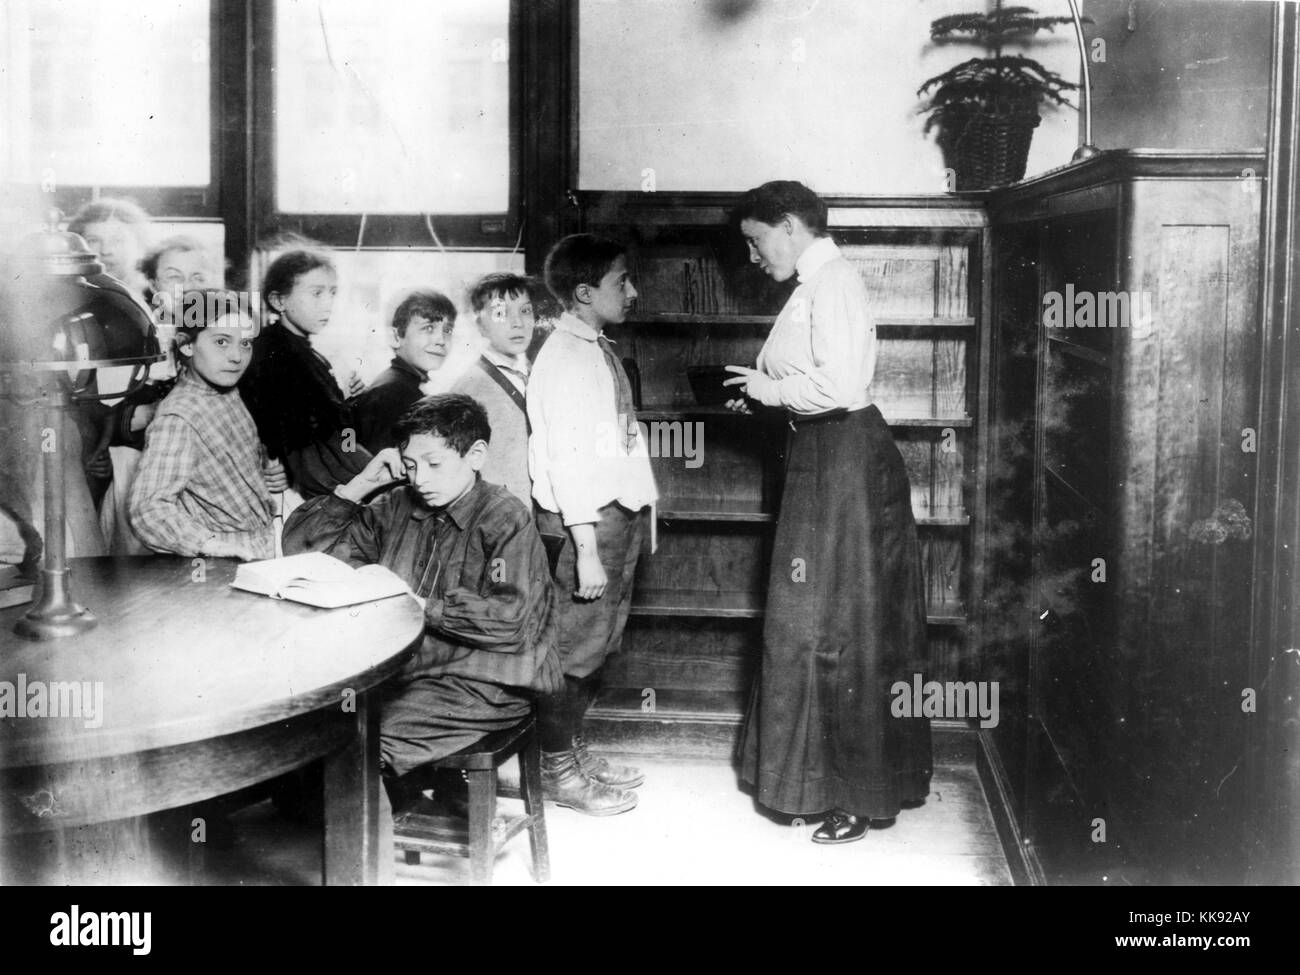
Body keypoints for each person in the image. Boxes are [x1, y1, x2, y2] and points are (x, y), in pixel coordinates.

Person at [724, 180, 932, 844]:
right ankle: (818, 782)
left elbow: (840, 385)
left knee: (845, 623)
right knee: (815, 618)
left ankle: (854, 793)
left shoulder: (833, 280)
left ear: (789, 226)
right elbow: (812, 379)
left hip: (842, 460)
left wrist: (769, 387)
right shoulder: (813, 286)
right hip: (822, 459)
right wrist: (764, 395)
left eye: (757, 242)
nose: (754, 257)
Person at [281, 393, 562, 808]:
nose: (420, 479)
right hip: (411, 674)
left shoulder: (504, 517)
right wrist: (362, 483)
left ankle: (371, 847)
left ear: (476, 455)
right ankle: (397, 804)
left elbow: (511, 621)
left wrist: (418, 605)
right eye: (410, 465)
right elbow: (306, 555)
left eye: (434, 464)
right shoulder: (396, 505)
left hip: (487, 682)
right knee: (310, 738)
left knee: (358, 744)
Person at [527, 234, 658, 815]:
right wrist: (585, 549)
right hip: (589, 523)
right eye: (620, 282)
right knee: (574, 650)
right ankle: (558, 771)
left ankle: (573, 752)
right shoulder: (566, 358)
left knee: (599, 646)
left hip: (615, 517)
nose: (632, 292)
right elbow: (569, 462)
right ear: (584, 293)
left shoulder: (593, 347)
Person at [129, 288, 287, 560]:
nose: (237, 356)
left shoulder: (227, 391)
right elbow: (147, 508)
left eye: (245, 343)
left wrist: (265, 470)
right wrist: (209, 544)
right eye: (222, 342)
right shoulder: (178, 418)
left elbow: (222, 464)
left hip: (262, 543)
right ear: (186, 344)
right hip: (221, 561)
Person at [239, 247, 372, 498]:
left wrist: (351, 402)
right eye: (316, 293)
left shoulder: (308, 353)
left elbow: (346, 438)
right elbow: (306, 442)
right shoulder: (273, 354)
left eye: (332, 293)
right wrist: (344, 405)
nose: (328, 304)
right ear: (279, 301)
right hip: (297, 488)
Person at [450, 272, 539, 507]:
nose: (517, 323)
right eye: (501, 313)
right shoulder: (468, 386)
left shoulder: (539, 373)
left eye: (525, 310)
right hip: (500, 516)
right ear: (480, 325)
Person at [353, 289, 455, 453]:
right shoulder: (394, 393)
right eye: (428, 328)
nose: (441, 340)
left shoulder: (406, 384)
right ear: (395, 337)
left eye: (447, 330)